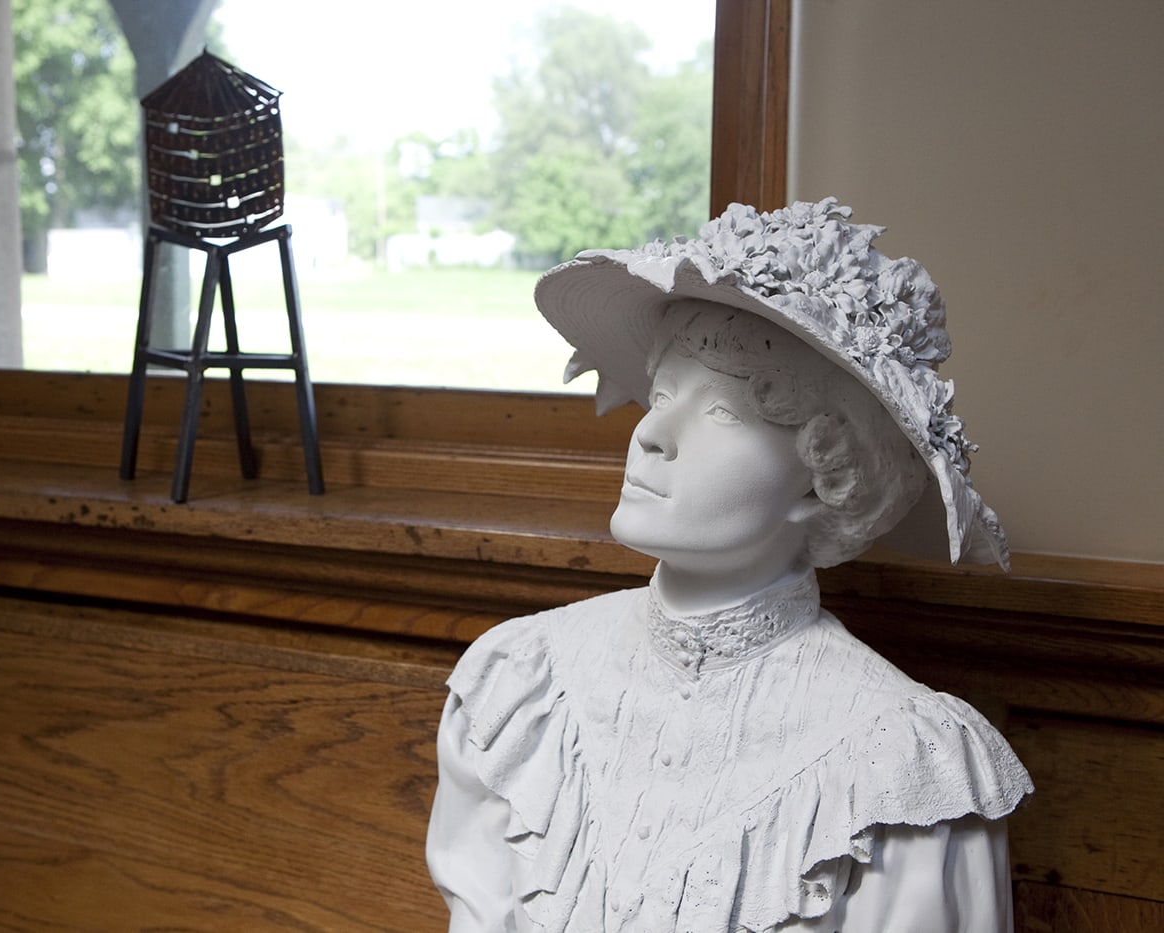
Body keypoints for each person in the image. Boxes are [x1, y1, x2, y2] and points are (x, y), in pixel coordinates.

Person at [426, 199, 1033, 932]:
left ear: (826, 474)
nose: (649, 434)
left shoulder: (904, 766)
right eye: (660, 394)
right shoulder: (520, 682)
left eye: (723, 413)